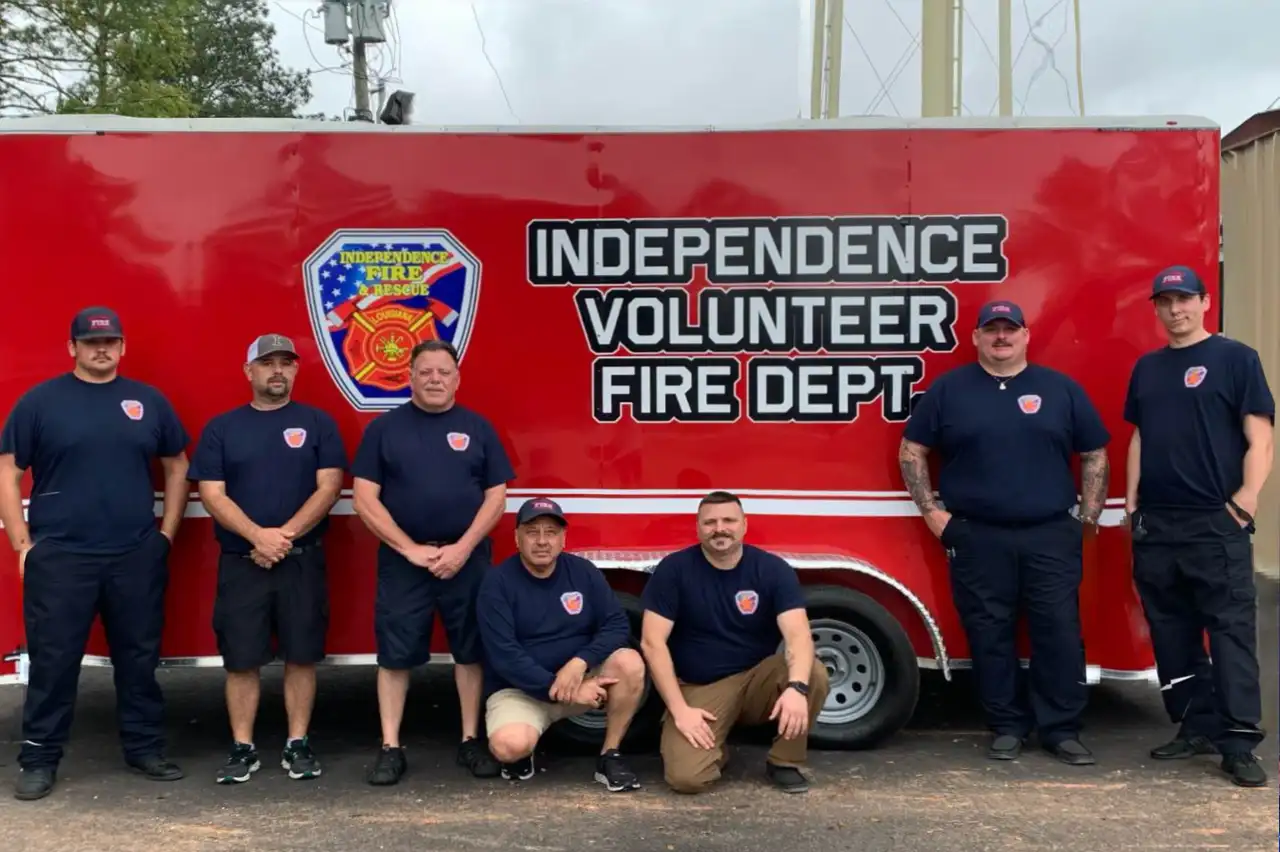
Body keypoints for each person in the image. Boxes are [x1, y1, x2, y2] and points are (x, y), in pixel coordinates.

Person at [898, 300, 1110, 766]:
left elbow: (1095, 452)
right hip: (977, 536)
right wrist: (932, 512)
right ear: (976, 337)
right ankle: (1007, 726)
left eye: (1009, 329)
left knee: (1058, 632)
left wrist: (1088, 517)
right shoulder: (949, 390)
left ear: (1025, 335)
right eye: (991, 329)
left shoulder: (1059, 389)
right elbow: (912, 449)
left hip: (1049, 534)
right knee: (989, 632)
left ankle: (1061, 730)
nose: (1001, 337)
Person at [0, 307, 191, 801]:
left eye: (109, 342)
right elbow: (8, 472)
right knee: (53, 662)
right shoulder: (40, 402)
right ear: (73, 348)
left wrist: (165, 535)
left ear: (122, 347)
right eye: (90, 342)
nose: (101, 349)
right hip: (61, 556)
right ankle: (39, 759)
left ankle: (144, 749)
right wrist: (22, 545)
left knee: (138, 658)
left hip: (134, 554)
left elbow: (177, 465)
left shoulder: (148, 401)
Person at [1123, 265, 1272, 789]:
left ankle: (1238, 742)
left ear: (1205, 302)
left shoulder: (1236, 359)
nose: (1175, 309)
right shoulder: (1148, 368)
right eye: (1165, 301)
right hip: (1157, 524)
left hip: (1215, 521)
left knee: (1230, 632)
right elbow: (1140, 436)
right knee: (1171, 631)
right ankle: (1195, 724)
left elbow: (1260, 436)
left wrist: (1246, 499)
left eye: (1185, 299)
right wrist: (1133, 503)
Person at [351, 339, 514, 785]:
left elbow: (496, 498)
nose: (435, 379)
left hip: (468, 559)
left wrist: (462, 548)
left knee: (471, 651)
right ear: (410, 377)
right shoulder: (384, 430)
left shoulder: (478, 428)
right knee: (395, 654)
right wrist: (409, 548)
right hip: (404, 561)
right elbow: (364, 498)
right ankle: (390, 746)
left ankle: (470, 739)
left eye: (444, 372)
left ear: (457, 379)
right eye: (425, 372)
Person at [187, 334, 347, 785]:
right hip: (243, 561)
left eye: (286, 363)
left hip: (300, 561)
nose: (278, 371)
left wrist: (282, 538)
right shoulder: (222, 428)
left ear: (295, 370)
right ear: (249, 371)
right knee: (241, 660)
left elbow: (329, 487)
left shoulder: (318, 423)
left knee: (301, 656)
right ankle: (243, 747)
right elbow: (212, 494)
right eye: (267, 363)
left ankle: (298, 743)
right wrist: (258, 537)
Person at [639, 491, 829, 795]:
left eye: (729, 520)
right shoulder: (674, 570)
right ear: (698, 528)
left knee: (813, 673)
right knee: (687, 779)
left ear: (744, 525)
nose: (720, 529)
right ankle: (716, 747)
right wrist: (679, 710)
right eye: (710, 522)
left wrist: (796, 688)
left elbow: (798, 636)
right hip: (700, 688)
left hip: (756, 681)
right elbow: (652, 643)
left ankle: (785, 760)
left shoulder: (772, 569)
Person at [476, 497, 646, 791]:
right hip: (521, 690)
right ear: (517, 538)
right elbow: (504, 655)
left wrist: (580, 662)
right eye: (532, 532)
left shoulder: (583, 572)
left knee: (629, 663)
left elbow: (617, 624)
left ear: (563, 538)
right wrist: (559, 689)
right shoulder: (497, 583)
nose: (542, 541)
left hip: (579, 679)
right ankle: (524, 753)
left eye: (551, 532)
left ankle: (610, 755)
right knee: (508, 746)